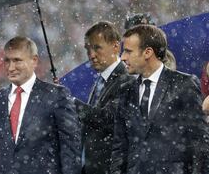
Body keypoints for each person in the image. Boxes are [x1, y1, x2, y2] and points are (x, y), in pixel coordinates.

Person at [111, 25, 209, 174]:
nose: (123, 57)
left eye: (128, 51)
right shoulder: (126, 90)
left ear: (148, 52)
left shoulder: (184, 84)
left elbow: (200, 142)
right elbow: (120, 147)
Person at [0, 36, 81, 174]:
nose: (11, 67)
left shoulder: (56, 95)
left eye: (17, 60)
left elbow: (70, 149)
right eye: (7, 61)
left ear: (34, 61)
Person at [81, 21, 133, 174]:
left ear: (116, 46)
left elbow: (109, 119)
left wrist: (70, 103)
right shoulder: (99, 80)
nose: (91, 55)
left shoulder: (127, 79)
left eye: (97, 47)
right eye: (88, 49)